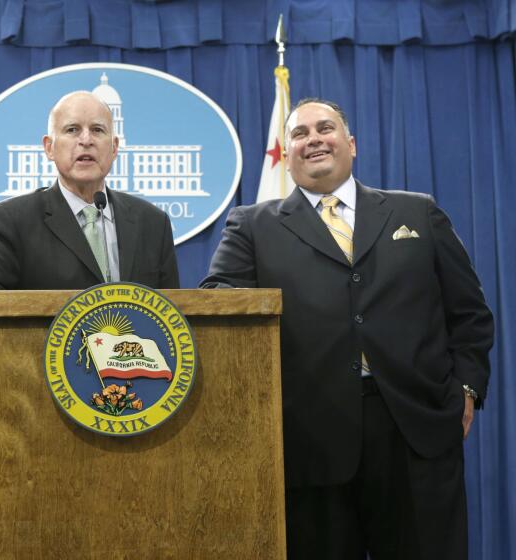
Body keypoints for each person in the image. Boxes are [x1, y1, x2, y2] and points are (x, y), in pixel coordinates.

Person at [202, 98, 494, 559]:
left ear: (351, 144)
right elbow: (222, 312)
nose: (314, 139)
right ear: (287, 150)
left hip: (416, 431)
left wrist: (467, 387)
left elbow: (470, 313)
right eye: (300, 134)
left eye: (325, 128)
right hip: (308, 440)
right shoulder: (251, 226)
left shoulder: (417, 213)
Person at [0, 91, 179, 290]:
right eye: (72, 129)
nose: (86, 140)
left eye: (98, 130)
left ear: (114, 147)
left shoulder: (153, 223)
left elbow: (172, 313)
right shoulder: (13, 220)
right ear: (49, 147)